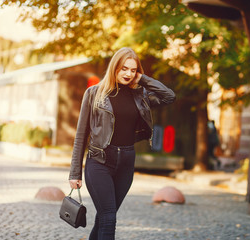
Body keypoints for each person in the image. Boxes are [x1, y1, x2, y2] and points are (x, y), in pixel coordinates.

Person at [68, 47, 175, 240]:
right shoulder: (94, 94)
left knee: (103, 219)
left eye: (133, 70)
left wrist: (142, 79)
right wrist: (75, 173)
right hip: (99, 162)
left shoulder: (140, 96)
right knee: (109, 219)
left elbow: (169, 96)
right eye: (124, 68)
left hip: (126, 162)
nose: (128, 74)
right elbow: (81, 135)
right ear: (114, 68)